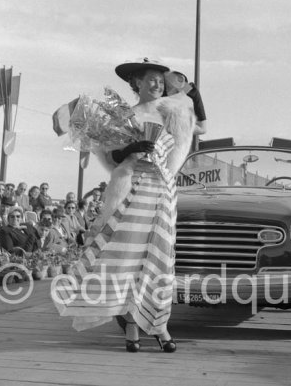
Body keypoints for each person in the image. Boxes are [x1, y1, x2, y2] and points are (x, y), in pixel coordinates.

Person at [53, 57, 196, 353]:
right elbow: (113, 157)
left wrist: (189, 97)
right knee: (128, 261)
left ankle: (158, 323)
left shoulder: (173, 112)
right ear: (137, 83)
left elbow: (196, 132)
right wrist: (131, 148)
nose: (157, 84)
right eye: (151, 79)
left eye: (160, 79)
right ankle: (131, 323)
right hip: (133, 192)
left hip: (162, 193)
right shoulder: (124, 115)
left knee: (159, 261)